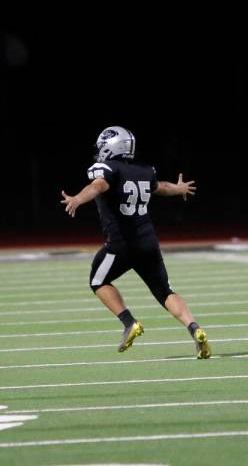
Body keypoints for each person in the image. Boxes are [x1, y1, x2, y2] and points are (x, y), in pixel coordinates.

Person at [60, 126, 211, 359]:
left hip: (121, 243)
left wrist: (78, 199)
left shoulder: (108, 169)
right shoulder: (144, 170)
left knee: (97, 280)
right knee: (165, 292)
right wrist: (180, 188)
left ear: (111, 147)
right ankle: (194, 328)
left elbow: (98, 185)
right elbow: (161, 187)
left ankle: (129, 322)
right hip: (148, 242)